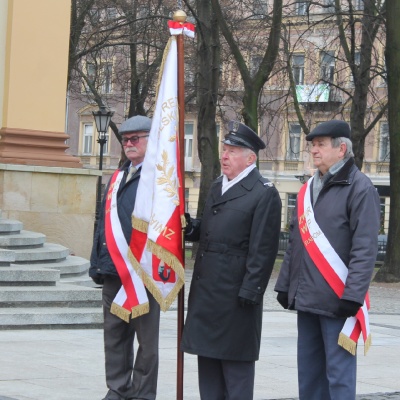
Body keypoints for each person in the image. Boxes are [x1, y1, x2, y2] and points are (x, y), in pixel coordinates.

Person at [274, 120, 381, 400]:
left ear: (341, 148)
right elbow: (297, 241)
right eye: (312, 145)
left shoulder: (361, 188)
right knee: (309, 375)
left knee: (339, 378)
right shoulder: (307, 189)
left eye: (321, 144)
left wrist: (353, 297)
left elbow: (364, 249)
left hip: (338, 301)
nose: (313, 150)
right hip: (307, 299)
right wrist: (285, 285)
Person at [181, 120, 282, 400]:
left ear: (250, 158)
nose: (224, 155)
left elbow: (263, 249)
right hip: (207, 292)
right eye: (224, 149)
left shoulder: (264, 193)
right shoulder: (217, 185)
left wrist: (251, 291)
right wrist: (192, 228)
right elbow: (216, 230)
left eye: (232, 151)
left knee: (235, 374)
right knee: (209, 369)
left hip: (235, 297)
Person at [89, 115, 160, 400]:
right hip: (112, 271)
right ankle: (117, 389)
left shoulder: (159, 178)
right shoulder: (118, 176)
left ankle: (143, 393)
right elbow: (102, 222)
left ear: (149, 141)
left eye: (136, 139)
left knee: (146, 342)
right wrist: (96, 262)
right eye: (125, 140)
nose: (129, 144)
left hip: (143, 274)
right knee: (115, 336)